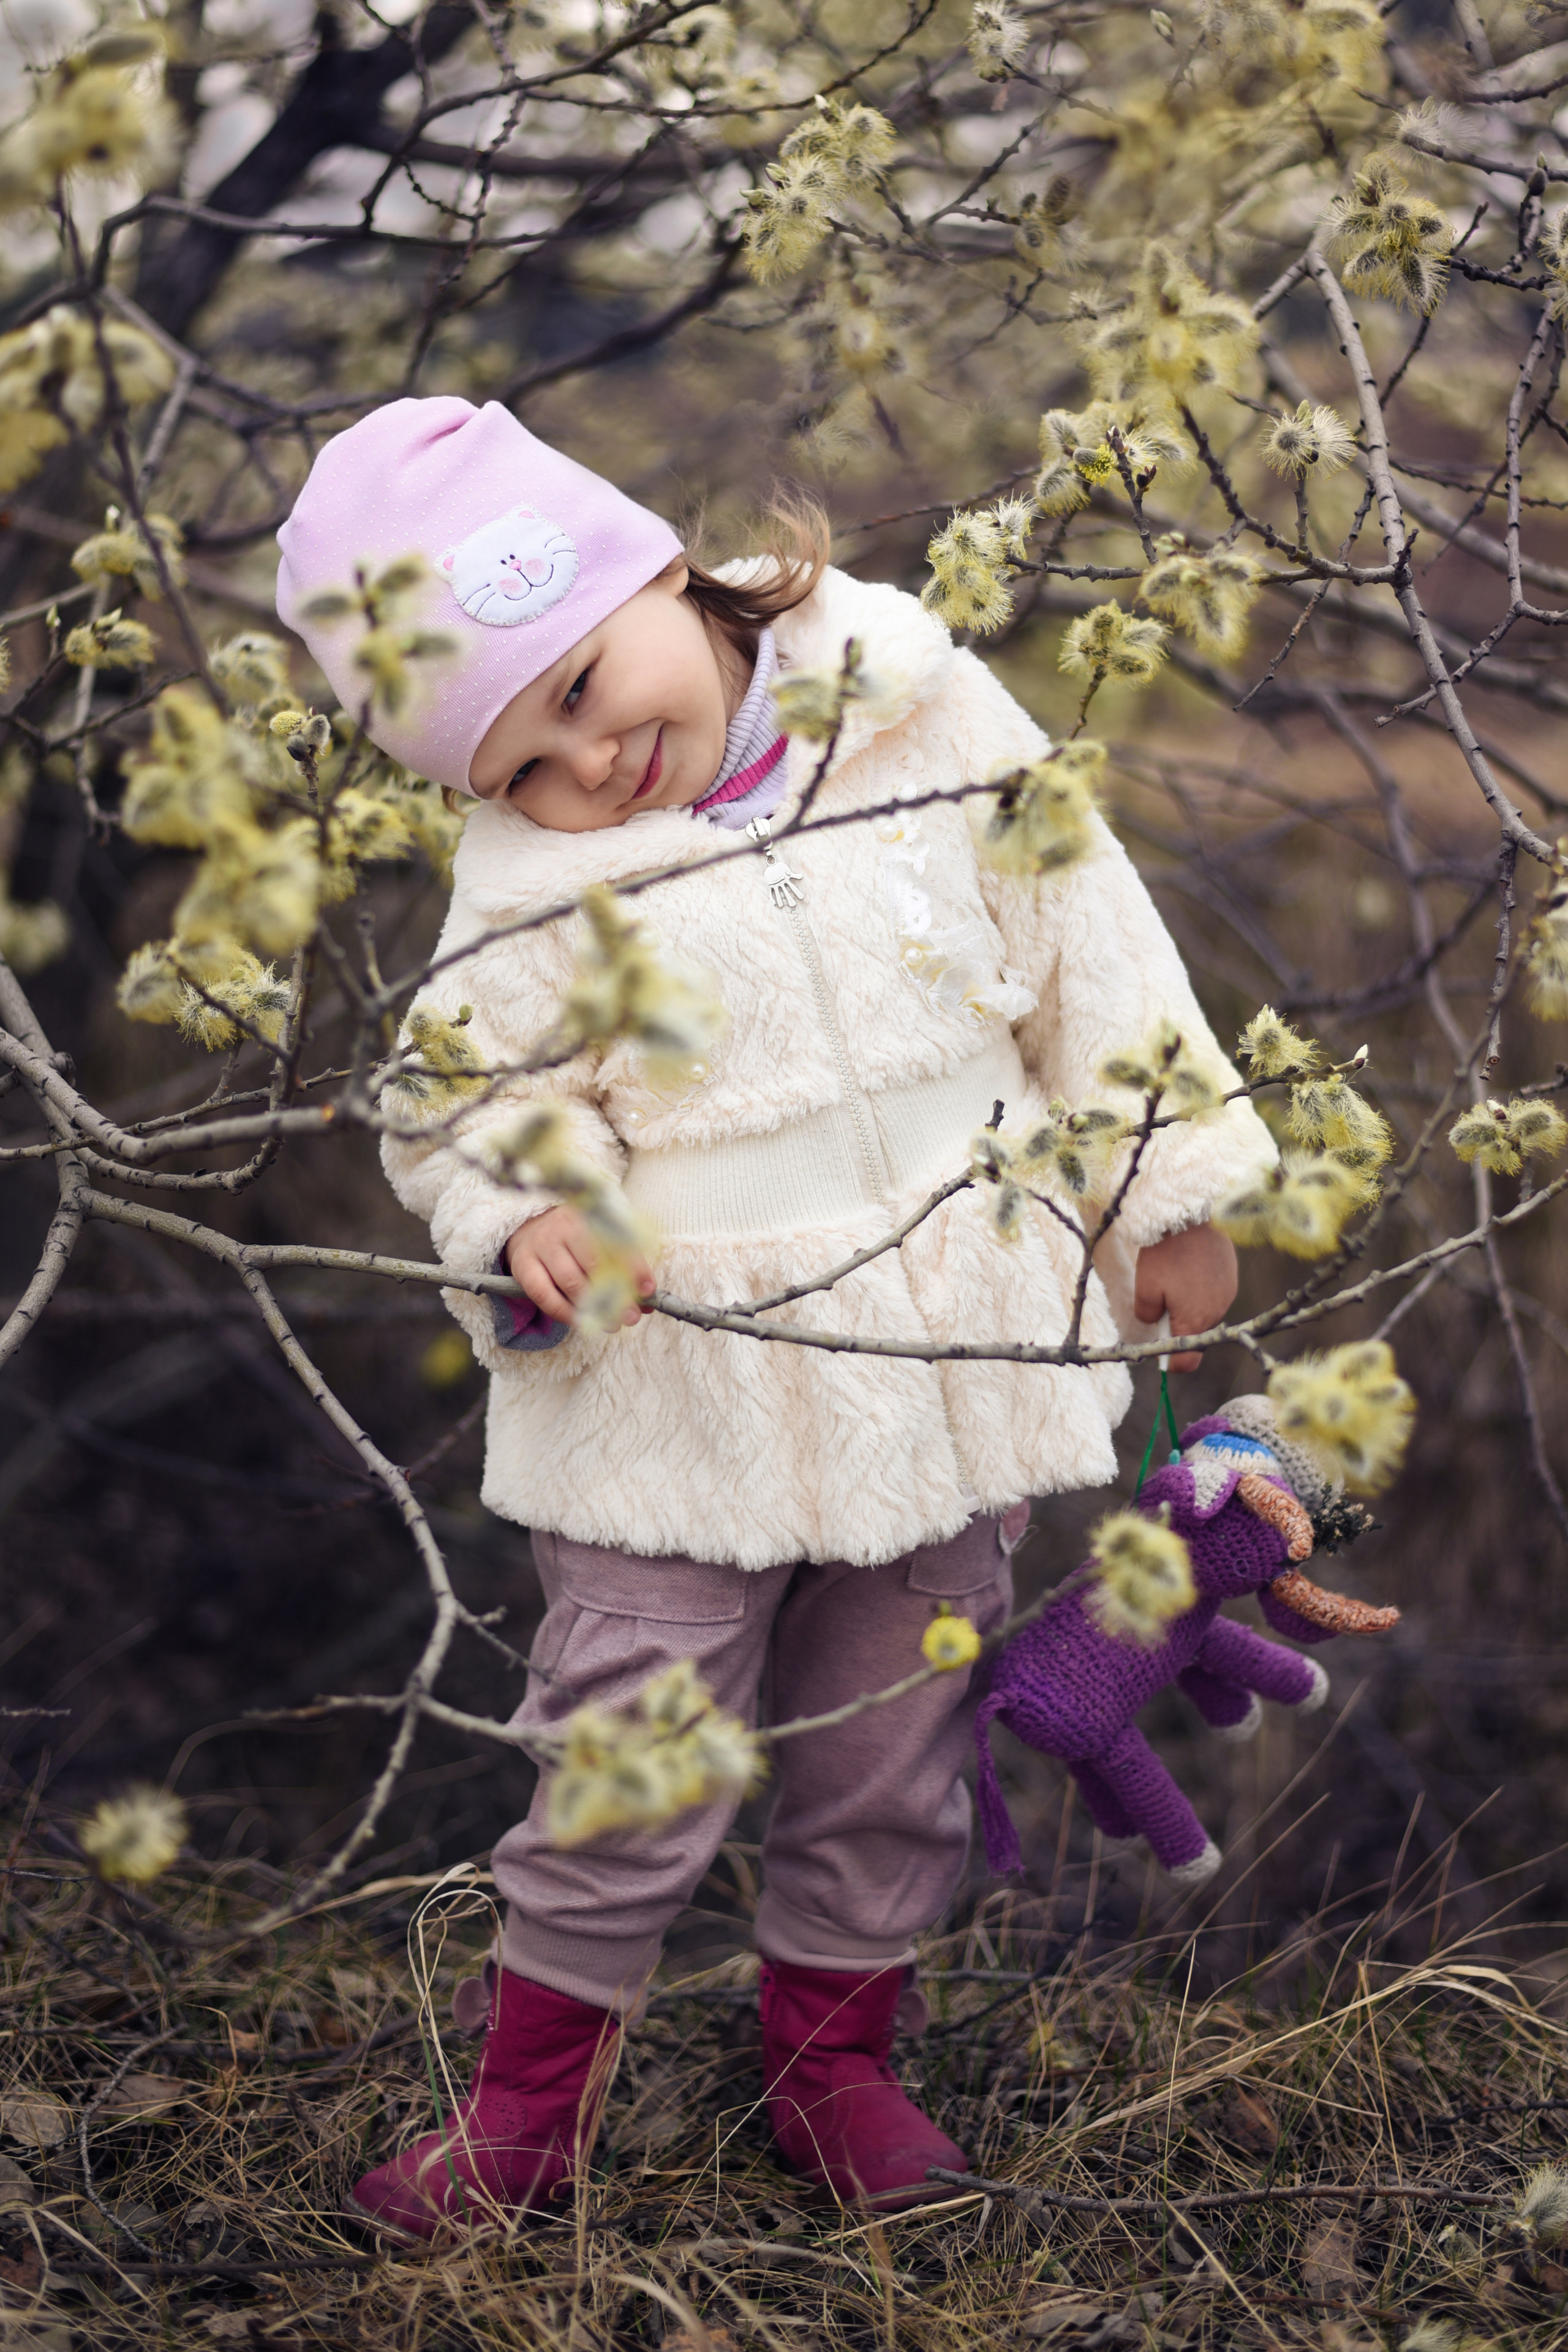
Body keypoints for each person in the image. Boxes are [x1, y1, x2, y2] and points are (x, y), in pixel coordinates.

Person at [275, 396, 1273, 2239]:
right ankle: (524, 2117)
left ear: (662, 562)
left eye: (584, 686)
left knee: (891, 1743)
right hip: (677, 1399)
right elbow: (458, 1100)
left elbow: (1089, 936)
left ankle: (834, 2063)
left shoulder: (911, 702)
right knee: (628, 1749)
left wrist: (1171, 1189)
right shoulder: (532, 882)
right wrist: (523, 1217)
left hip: (941, 1363)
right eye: (525, 763)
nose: (593, 766)